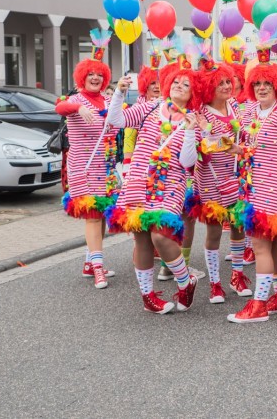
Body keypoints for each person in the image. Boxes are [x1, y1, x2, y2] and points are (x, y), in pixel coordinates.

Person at [107, 57, 201, 315]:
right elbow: (116, 120)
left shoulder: (193, 120)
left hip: (170, 183)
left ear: (193, 93)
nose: (180, 86)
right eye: (177, 81)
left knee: (160, 234)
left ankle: (184, 281)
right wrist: (119, 93)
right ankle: (148, 297)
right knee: (141, 238)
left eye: (187, 84)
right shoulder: (149, 107)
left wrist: (191, 132)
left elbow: (188, 161)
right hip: (138, 179)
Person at [227, 46, 277, 323]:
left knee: (260, 245)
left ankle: (258, 304)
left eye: (266, 83)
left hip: (272, 186)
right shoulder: (249, 112)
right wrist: (228, 147)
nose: (261, 88)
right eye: (256, 83)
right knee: (268, 246)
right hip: (250, 184)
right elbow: (246, 147)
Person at [55, 51, 117, 289]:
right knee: (92, 216)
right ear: (82, 77)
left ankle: (90, 262)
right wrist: (77, 109)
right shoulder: (76, 100)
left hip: (106, 167)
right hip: (84, 167)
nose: (95, 78)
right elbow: (60, 107)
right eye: (90, 74)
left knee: (101, 215)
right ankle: (98, 269)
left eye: (99, 75)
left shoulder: (108, 100)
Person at [193, 55, 250, 303]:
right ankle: (215, 283)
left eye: (229, 81)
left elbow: (245, 132)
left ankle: (237, 275)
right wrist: (230, 146)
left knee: (238, 226)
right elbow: (203, 145)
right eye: (221, 83)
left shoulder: (235, 106)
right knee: (214, 231)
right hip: (211, 179)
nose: (227, 86)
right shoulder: (200, 113)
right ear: (209, 87)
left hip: (236, 176)